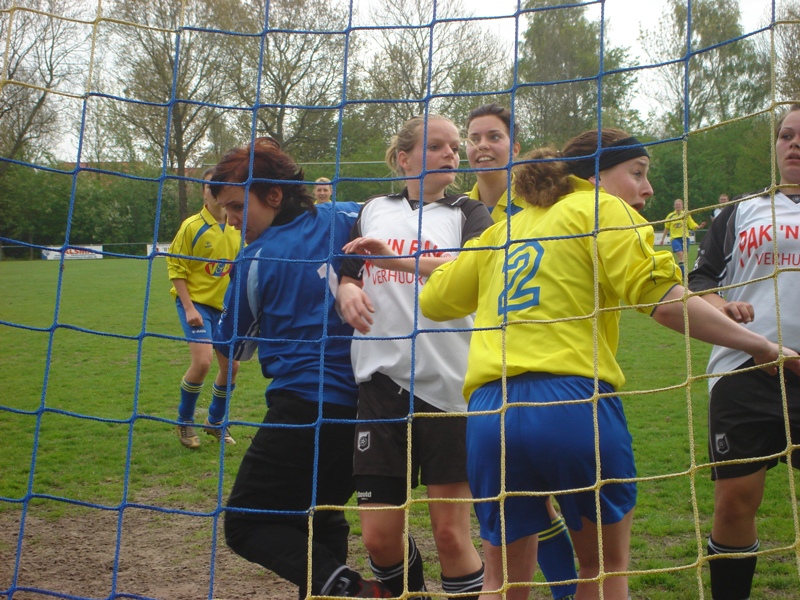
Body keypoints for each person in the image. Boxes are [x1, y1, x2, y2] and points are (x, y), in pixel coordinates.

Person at [417, 128, 800, 600]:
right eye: (637, 173)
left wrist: (418, 262)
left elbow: (435, 301)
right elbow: (663, 302)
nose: (648, 189)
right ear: (596, 178)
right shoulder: (600, 210)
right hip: (571, 406)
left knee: (501, 581)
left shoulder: (504, 231)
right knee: (603, 570)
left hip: (489, 415)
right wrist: (760, 345)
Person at [210, 138, 393, 598]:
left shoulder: (256, 258)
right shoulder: (348, 216)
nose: (231, 220)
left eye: (237, 207)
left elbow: (235, 346)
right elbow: (392, 217)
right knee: (320, 516)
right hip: (369, 407)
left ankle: (358, 592)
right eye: (225, 211)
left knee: (247, 522)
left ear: (274, 195)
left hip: (304, 407)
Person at [336, 114, 489, 599]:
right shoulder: (373, 209)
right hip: (381, 385)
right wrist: (346, 290)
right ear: (404, 159)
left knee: (450, 535)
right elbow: (349, 271)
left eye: (455, 146)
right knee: (378, 538)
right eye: (437, 146)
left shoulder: (469, 213)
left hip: (451, 388)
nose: (451, 154)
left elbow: (475, 269)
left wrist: (394, 259)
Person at [465, 103, 578, 600]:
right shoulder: (457, 207)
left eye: (493, 136)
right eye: (474, 138)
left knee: (539, 499)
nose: (482, 146)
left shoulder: (538, 202)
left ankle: (568, 590)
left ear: (513, 145)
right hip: (471, 362)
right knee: (509, 508)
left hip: (538, 363)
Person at [688, 103, 800, 600]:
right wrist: (723, 308)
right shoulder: (740, 211)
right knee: (734, 501)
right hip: (744, 370)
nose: (794, 144)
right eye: (786, 135)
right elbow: (701, 283)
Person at [166, 167, 241, 449]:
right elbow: (176, 267)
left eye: (220, 186)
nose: (215, 191)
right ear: (203, 192)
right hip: (196, 304)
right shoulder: (192, 226)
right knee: (202, 362)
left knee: (231, 367)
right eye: (210, 186)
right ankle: (185, 421)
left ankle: (215, 422)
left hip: (224, 308)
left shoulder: (237, 225)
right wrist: (189, 308)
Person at [659, 198, 706, 276]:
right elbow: (666, 228)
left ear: (682, 206)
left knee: (684, 258)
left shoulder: (686, 214)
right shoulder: (670, 216)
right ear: (674, 206)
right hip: (675, 238)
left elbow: (692, 224)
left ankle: (682, 273)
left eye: (679, 204)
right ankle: (684, 274)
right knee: (680, 255)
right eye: (676, 205)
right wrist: (662, 239)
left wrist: (699, 226)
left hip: (685, 238)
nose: (678, 206)